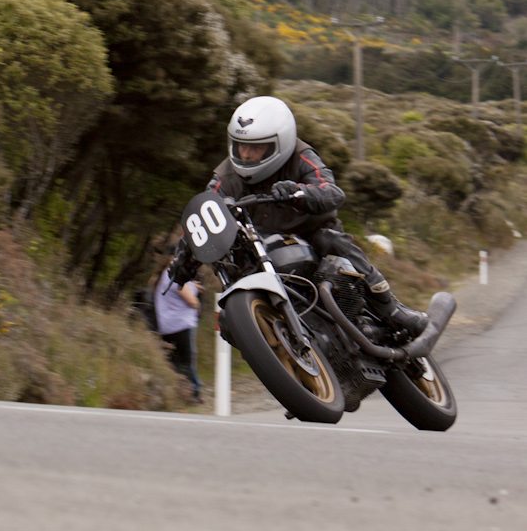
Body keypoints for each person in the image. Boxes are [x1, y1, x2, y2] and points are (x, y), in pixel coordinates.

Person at [173, 95, 428, 337]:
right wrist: (183, 258)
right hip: (259, 246)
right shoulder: (225, 177)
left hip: (310, 232)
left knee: (333, 241)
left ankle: (391, 309)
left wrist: (300, 192)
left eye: (257, 148)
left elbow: (332, 191)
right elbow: (204, 216)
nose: (247, 155)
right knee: (230, 320)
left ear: (280, 143)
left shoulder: (301, 156)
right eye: (241, 147)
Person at [153, 243, 203, 401]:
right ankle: (194, 392)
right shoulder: (174, 276)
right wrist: (197, 303)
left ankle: (176, 392)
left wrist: (192, 286)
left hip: (167, 325)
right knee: (187, 360)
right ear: (172, 258)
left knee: (174, 361)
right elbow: (191, 301)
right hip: (181, 324)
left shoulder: (165, 274)